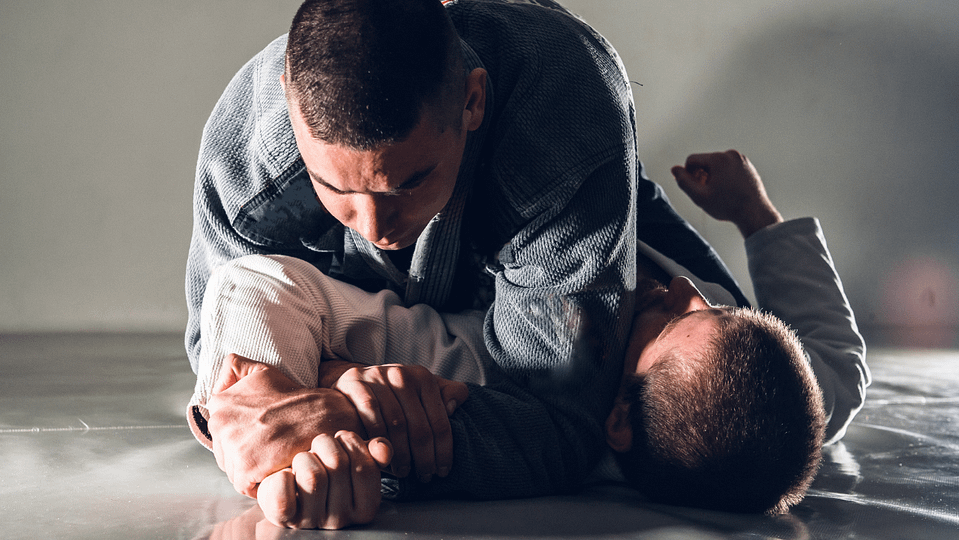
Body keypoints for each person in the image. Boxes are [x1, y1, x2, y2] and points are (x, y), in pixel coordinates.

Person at [185, 0, 749, 519]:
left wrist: (357, 414)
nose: (377, 227)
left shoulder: (562, 118)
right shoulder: (247, 166)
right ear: (288, 101)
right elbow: (231, 371)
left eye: (409, 182)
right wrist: (305, 398)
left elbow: (558, 420)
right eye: (334, 187)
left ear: (472, 100)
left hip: (567, 198)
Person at [194, 150, 868, 528]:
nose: (684, 290)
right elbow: (838, 361)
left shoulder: (506, 372)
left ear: (617, 416)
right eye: (719, 309)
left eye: (671, 321)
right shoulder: (779, 396)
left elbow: (258, 286)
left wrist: (288, 397)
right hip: (616, 185)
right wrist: (754, 215)